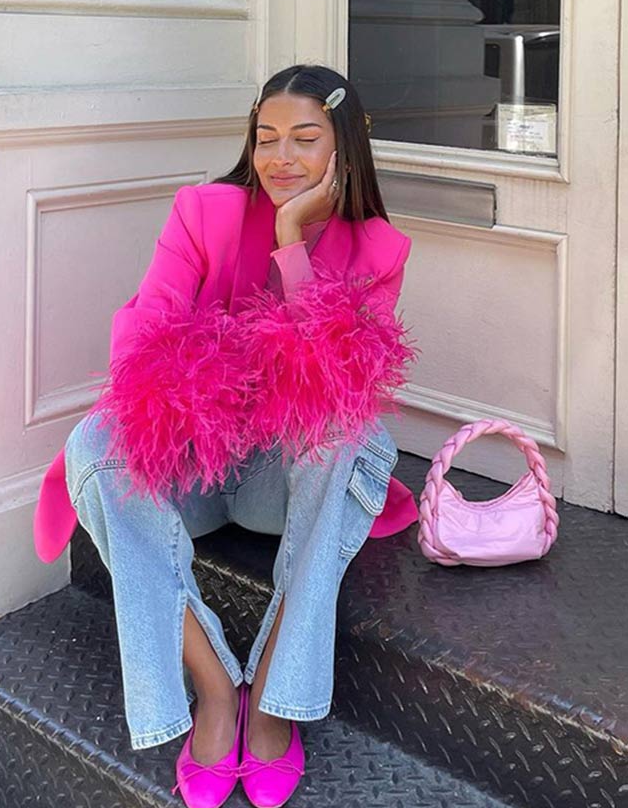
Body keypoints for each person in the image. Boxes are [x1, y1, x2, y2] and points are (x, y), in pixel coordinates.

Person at [33, 64, 420, 808]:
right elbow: (142, 346)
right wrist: (213, 394)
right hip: (199, 471)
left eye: (305, 139)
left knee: (344, 432)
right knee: (94, 442)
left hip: (284, 485)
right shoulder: (202, 212)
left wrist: (289, 242)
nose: (281, 157)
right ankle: (214, 685)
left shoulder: (380, 249)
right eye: (266, 137)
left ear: (344, 146)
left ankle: (275, 693)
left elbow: (335, 382)